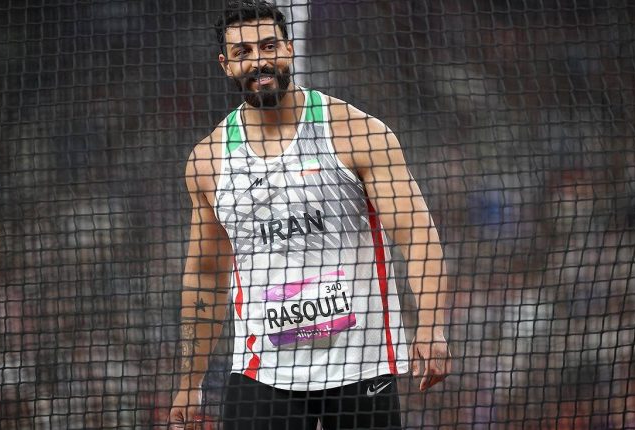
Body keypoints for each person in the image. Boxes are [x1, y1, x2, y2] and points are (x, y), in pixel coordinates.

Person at [169, 1, 451, 428]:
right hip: (262, 371)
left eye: (269, 46)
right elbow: (205, 274)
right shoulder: (209, 161)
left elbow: (416, 236)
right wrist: (189, 382)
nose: (259, 62)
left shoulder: (356, 132)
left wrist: (430, 327)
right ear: (225, 65)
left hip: (361, 365)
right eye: (243, 52)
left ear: (289, 48)